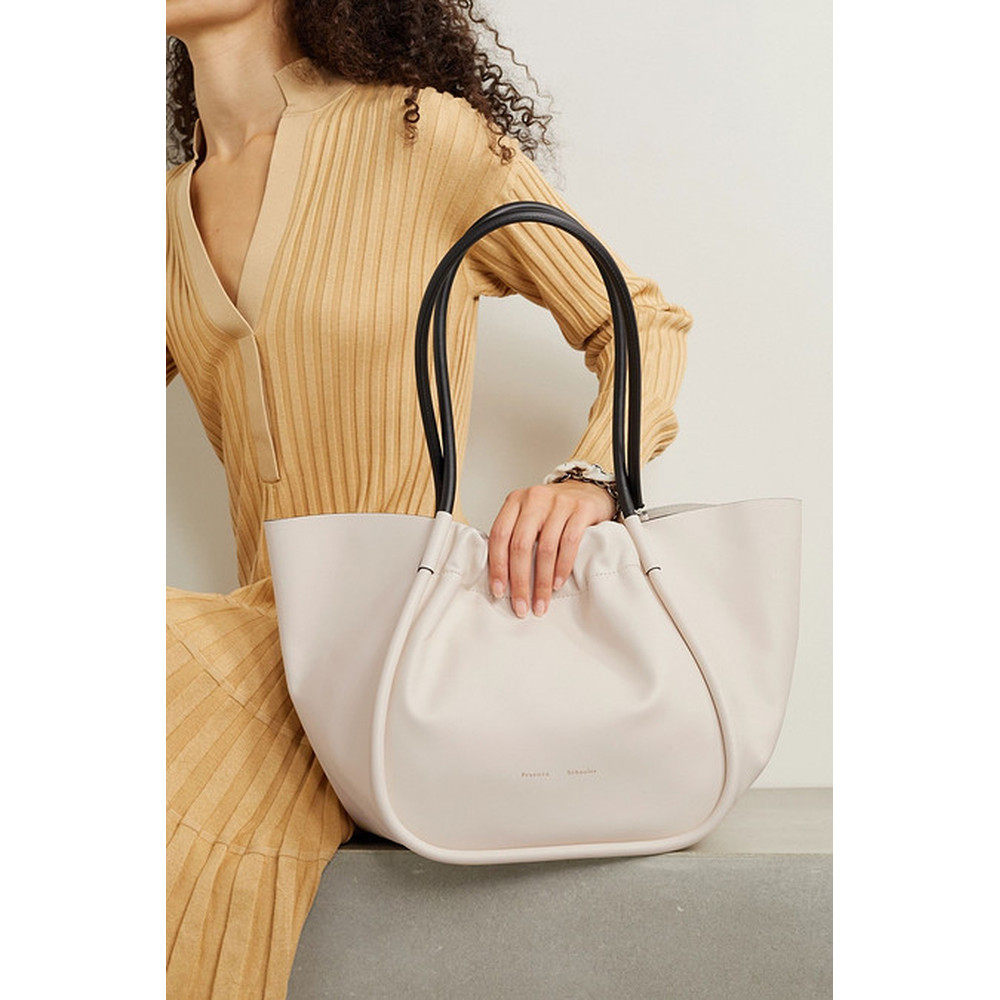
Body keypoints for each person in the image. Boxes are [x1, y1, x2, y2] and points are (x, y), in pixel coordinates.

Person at [166, 1, 693, 996]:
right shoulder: (162, 213)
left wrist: (593, 474)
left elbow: (641, 321)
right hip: (256, 652)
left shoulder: (423, 134)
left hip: (388, 643)